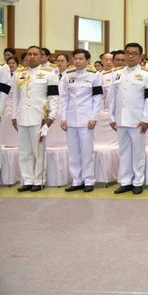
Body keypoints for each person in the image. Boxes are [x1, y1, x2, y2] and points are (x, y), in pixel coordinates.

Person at [10, 46, 60, 192]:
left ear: (41, 56)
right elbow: (15, 98)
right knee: (24, 152)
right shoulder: (19, 74)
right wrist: (14, 116)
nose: (32, 56)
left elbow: (54, 97)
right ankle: (27, 180)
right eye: (29, 54)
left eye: (35, 54)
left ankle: (38, 180)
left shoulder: (49, 74)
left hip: (39, 117)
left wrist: (51, 117)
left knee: (38, 151)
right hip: (22, 117)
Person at [110, 43, 148, 195]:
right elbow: (112, 97)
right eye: (127, 52)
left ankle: (138, 182)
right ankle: (125, 181)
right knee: (124, 152)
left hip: (137, 120)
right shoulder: (117, 73)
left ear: (140, 56)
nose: (130, 56)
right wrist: (111, 117)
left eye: (134, 53)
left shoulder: (147, 74)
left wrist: (146, 119)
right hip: (120, 119)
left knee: (138, 152)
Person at [59, 49, 103, 193]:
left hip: (86, 118)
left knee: (86, 151)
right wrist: (63, 118)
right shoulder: (67, 75)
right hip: (71, 118)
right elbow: (64, 98)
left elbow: (97, 98)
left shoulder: (95, 75)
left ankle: (89, 180)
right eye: (75, 58)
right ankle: (76, 180)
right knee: (73, 152)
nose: (77, 61)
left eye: (80, 58)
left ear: (87, 61)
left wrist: (94, 117)